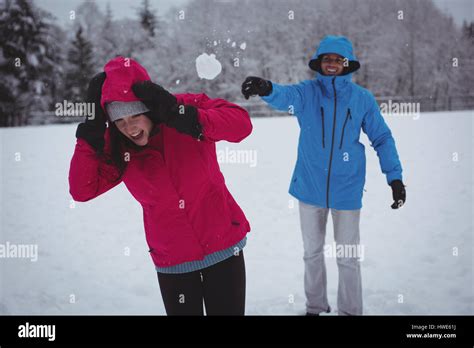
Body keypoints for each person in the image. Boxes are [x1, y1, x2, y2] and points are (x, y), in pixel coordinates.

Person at [69, 56, 252, 315]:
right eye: (119, 121)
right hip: (173, 259)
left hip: (223, 244)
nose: (129, 127)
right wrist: (90, 132)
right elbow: (82, 189)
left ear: (148, 108)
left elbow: (242, 125)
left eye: (134, 116)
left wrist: (187, 118)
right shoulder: (118, 147)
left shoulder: (181, 108)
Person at [241, 35, 406, 315]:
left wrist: (395, 177)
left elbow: (382, 137)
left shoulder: (362, 99)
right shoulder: (308, 92)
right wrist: (266, 88)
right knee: (312, 254)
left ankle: (351, 311)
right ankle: (314, 306)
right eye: (326, 59)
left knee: (348, 257)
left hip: (347, 188)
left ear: (347, 64)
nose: (331, 64)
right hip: (309, 186)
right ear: (320, 63)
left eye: (337, 59)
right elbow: (285, 96)